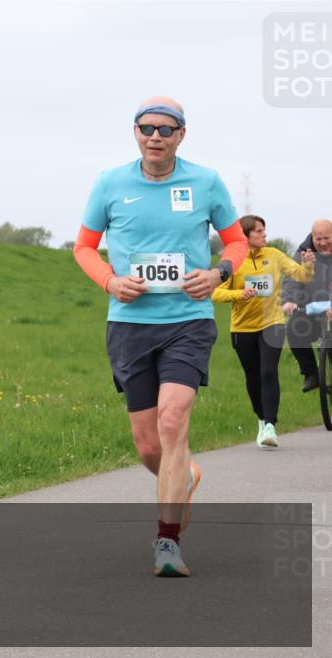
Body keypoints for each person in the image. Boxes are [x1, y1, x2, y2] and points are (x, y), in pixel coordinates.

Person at [73, 96, 247, 577]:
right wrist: (110, 281)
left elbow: (234, 241)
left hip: (188, 321)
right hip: (130, 325)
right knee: (149, 446)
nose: (155, 136)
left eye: (165, 129)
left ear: (181, 135)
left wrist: (219, 274)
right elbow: (84, 248)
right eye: (146, 128)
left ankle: (167, 542)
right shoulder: (110, 183)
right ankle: (182, 475)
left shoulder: (205, 181)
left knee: (173, 424)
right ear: (135, 132)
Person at [211, 215, 315, 448]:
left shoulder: (274, 255)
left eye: (264, 230)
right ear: (245, 236)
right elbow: (216, 293)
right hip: (242, 328)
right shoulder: (232, 261)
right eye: (259, 231)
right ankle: (260, 417)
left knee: (269, 372)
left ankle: (270, 425)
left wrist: (308, 264)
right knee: (253, 377)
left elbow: (301, 276)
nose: (264, 235)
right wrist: (239, 294)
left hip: (272, 323)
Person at [282, 219, 332, 392]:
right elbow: (292, 280)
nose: (323, 243)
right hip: (313, 309)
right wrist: (290, 300)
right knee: (294, 328)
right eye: (318, 239)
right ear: (312, 237)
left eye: (327, 238)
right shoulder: (303, 253)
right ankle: (311, 374)